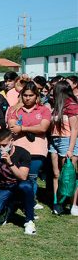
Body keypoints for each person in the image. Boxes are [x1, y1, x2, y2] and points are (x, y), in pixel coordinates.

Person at [0, 128, 36, 235]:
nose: (1, 148)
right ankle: (5, 210)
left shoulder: (23, 153)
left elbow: (23, 177)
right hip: (3, 187)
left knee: (26, 186)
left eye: (4, 145)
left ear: (12, 141)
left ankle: (29, 220)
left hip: (20, 185)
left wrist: (10, 163)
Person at [6, 81, 50, 209]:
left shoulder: (44, 110)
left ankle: (30, 203)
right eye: (25, 95)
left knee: (32, 177)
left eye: (31, 95)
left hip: (37, 149)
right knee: (17, 177)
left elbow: (43, 128)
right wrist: (31, 128)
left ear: (36, 96)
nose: (28, 98)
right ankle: (17, 201)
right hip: (18, 148)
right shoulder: (14, 109)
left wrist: (23, 128)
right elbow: (13, 127)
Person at [47, 80, 78, 215]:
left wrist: (70, 149)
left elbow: (75, 129)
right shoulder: (57, 106)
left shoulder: (72, 106)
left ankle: (73, 204)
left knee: (69, 174)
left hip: (67, 141)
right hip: (55, 141)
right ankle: (57, 201)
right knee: (56, 174)